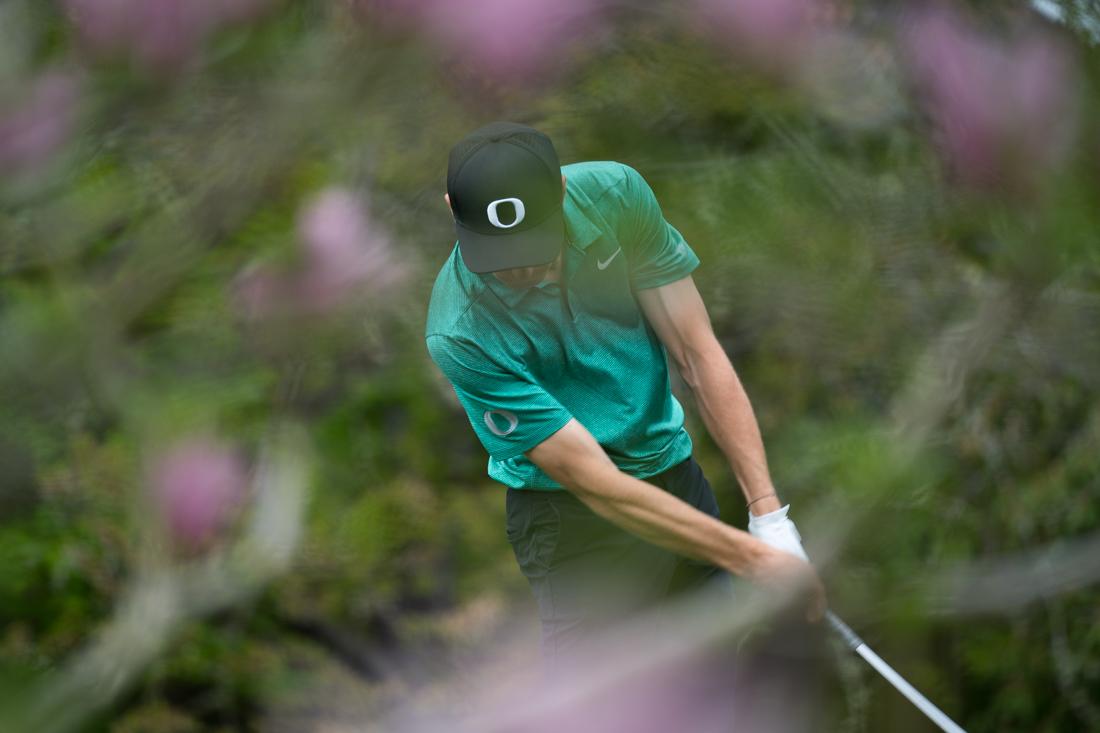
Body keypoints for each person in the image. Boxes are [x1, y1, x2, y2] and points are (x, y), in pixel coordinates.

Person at [425, 121, 825, 666]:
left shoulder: (616, 199)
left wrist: (769, 519)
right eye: (499, 251)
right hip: (569, 523)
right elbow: (598, 484)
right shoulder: (460, 330)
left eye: (532, 245)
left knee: (713, 693)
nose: (519, 267)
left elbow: (695, 352)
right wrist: (753, 560)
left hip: (674, 473)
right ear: (452, 206)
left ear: (561, 190)